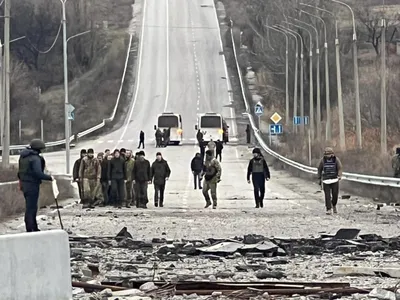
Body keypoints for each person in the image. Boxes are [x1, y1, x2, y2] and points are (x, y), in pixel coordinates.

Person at [17, 139, 54, 232]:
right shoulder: (35, 158)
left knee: (29, 206)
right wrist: (49, 177)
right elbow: (38, 173)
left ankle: (31, 226)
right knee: (32, 207)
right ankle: (31, 227)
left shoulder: (23, 157)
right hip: (32, 184)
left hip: (24, 184)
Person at [317, 147, 343, 215]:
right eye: (327, 155)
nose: (328, 156)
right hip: (326, 180)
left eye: (329, 154)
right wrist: (319, 178)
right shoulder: (322, 161)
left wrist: (339, 175)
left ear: (332, 154)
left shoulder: (336, 160)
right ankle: (328, 208)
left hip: (334, 179)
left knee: (335, 195)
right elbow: (319, 169)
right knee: (327, 195)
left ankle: (333, 204)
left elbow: (340, 168)